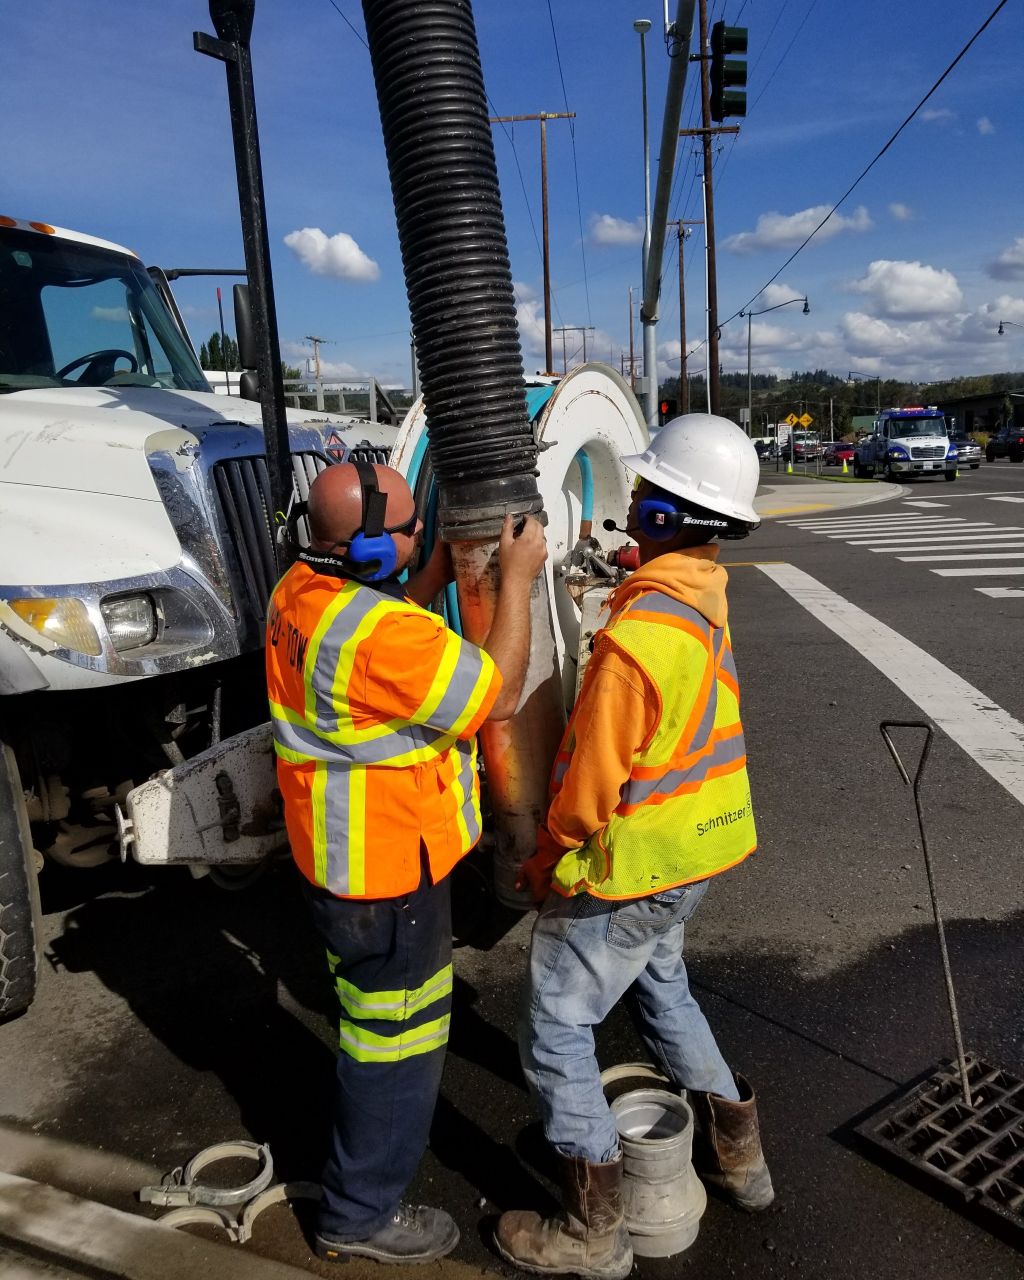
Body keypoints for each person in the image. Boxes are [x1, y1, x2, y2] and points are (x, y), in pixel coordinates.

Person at [495, 415, 773, 1280]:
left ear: (662, 517)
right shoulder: (700, 598)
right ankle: (741, 1160)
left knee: (556, 1025)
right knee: (663, 990)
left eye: (646, 494)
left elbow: (588, 788)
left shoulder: (635, 641)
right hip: (698, 853)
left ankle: (592, 1234)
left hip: (632, 866)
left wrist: (545, 859)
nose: (634, 505)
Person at [266, 460, 547, 1265]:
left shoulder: (297, 592)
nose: (421, 531)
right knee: (396, 1044)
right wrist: (517, 580)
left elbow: (376, 644)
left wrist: (425, 579)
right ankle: (358, 1215)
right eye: (408, 528)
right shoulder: (383, 636)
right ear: (365, 551)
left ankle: (358, 1197)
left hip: (336, 857)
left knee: (370, 1021)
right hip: (389, 873)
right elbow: (495, 693)